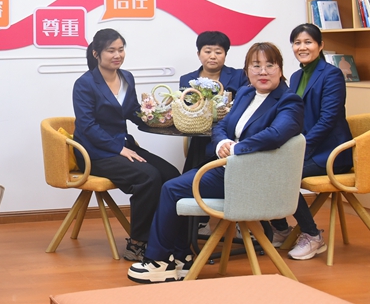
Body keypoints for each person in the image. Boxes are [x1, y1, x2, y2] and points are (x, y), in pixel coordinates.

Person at [128, 42, 304, 284]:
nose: (263, 72)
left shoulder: (289, 101)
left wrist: (237, 148)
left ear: (280, 69)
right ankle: (180, 258)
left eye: (270, 65)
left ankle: (159, 260)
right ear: (247, 70)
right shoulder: (246, 94)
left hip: (252, 177)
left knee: (171, 189)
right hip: (230, 170)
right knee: (174, 186)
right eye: (256, 66)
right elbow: (221, 124)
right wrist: (222, 142)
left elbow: (275, 135)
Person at [72, 29, 180, 262]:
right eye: (110, 50)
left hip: (123, 145)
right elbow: (87, 126)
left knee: (171, 175)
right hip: (94, 152)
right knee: (148, 177)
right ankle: (137, 244)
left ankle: (164, 237)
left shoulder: (127, 78)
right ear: (96, 53)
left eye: (121, 49)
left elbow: (131, 111)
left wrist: (155, 118)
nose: (117, 55)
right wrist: (118, 149)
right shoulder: (85, 84)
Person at [270, 24, 353, 259]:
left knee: (282, 173)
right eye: (297, 43)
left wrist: (301, 150)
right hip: (307, 149)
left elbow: (328, 119)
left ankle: (312, 235)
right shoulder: (296, 77)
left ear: (320, 45)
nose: (302, 47)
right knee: (266, 167)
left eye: (308, 42)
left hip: (332, 153)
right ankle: (282, 229)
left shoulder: (332, 74)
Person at [178, 31, 248, 171]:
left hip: (230, 135)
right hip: (199, 135)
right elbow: (184, 109)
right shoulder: (187, 79)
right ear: (199, 54)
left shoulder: (239, 75)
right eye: (208, 51)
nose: (213, 56)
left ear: (225, 54)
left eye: (218, 52)